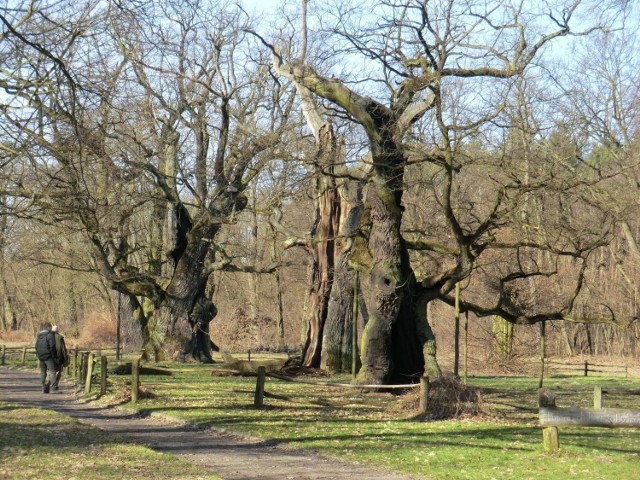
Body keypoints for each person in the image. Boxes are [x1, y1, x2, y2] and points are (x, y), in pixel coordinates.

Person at [34, 322, 57, 393]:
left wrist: (38, 354)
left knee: (43, 372)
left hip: (41, 356)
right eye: (50, 327)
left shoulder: (39, 336)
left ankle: (43, 388)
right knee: (52, 371)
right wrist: (54, 355)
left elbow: (36, 346)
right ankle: (53, 388)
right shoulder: (49, 335)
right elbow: (52, 346)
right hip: (48, 356)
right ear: (48, 327)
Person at [51, 325, 69, 391]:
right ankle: (55, 385)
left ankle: (50, 383)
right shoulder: (60, 337)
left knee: (51, 371)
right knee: (58, 371)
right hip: (58, 357)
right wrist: (65, 358)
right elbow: (63, 349)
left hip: (49, 357)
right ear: (57, 330)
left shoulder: (47, 336)